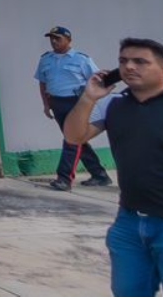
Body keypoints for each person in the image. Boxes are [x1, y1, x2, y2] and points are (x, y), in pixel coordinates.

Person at [62, 37, 163, 297]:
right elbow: (74, 136)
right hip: (129, 223)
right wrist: (88, 97)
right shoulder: (114, 105)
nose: (129, 67)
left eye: (140, 62)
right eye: (123, 61)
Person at [35, 25, 111, 191]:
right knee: (77, 140)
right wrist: (46, 105)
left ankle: (64, 178)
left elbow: (98, 80)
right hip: (57, 103)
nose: (54, 42)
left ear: (69, 40)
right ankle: (99, 174)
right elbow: (42, 83)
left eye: (58, 38)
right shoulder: (46, 59)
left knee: (71, 140)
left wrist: (94, 102)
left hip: (76, 103)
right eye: (51, 39)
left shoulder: (81, 59)